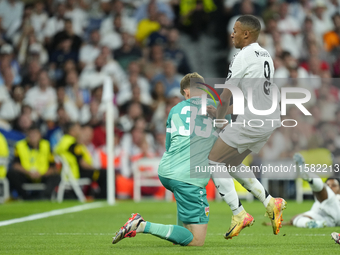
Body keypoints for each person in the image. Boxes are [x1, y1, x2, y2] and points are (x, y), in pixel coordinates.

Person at [112, 72, 242, 246]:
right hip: (189, 177)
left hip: (167, 170)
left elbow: (168, 144)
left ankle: (176, 237)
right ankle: (141, 225)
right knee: (196, 240)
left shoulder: (175, 110)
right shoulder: (215, 106)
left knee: (185, 216)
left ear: (186, 92)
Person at [207, 15, 286, 238]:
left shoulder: (242, 56)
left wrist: (219, 120)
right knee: (231, 162)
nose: (231, 34)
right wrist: (226, 113)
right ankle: (271, 202)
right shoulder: (265, 55)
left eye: (235, 30)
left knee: (213, 159)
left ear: (246, 34)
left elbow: (226, 93)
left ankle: (239, 213)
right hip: (269, 119)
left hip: (254, 121)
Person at [7, 124, 60, 199]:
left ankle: (44, 197)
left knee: (56, 176)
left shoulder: (47, 145)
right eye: (31, 134)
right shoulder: (20, 145)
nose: (33, 136)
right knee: (11, 173)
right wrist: (28, 172)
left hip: (42, 175)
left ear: (40, 135)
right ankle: (25, 197)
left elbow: (53, 167)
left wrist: (41, 174)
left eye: (35, 134)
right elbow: (15, 165)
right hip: (26, 175)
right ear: (27, 135)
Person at [291, 153, 340, 228]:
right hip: (327, 219)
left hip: (337, 211)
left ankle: (308, 177)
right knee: (296, 218)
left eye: (334, 185)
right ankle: (311, 224)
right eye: (329, 185)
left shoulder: (335, 198)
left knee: (323, 188)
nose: (330, 187)